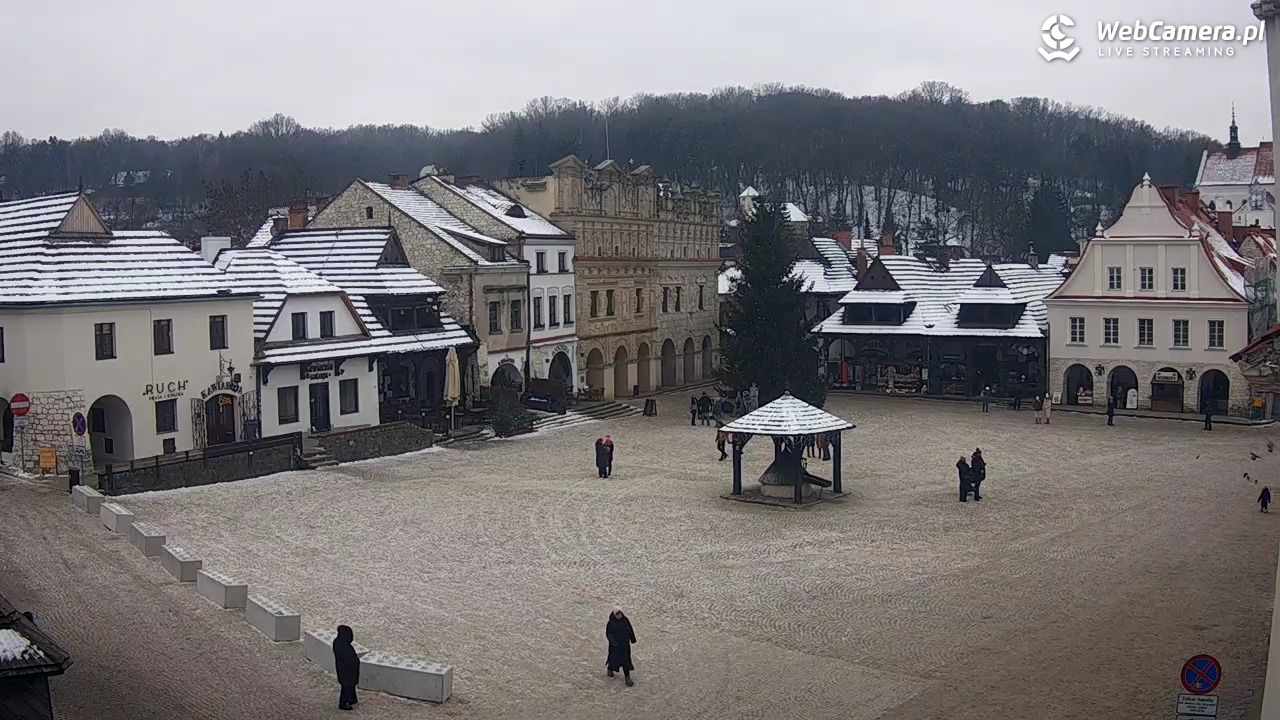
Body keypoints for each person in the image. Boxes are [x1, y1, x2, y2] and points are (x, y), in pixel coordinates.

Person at [605, 607, 637, 686]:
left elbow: (630, 629)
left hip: (625, 645)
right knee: (613, 659)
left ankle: (627, 677)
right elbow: (608, 634)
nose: (619, 615)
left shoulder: (625, 620)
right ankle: (610, 669)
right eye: (617, 614)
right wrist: (613, 642)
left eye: (620, 613)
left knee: (625, 660)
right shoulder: (611, 623)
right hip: (615, 647)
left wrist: (632, 638)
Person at [333, 624, 360, 710]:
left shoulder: (339, 642)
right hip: (346, 670)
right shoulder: (343, 646)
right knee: (347, 686)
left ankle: (352, 699)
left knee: (350, 685)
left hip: (346, 669)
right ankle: (343, 703)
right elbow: (348, 658)